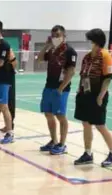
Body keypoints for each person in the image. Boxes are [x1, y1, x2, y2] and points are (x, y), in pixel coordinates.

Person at [74, 28, 112, 167]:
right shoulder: (87, 57)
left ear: (96, 41)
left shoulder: (106, 56)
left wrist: (101, 95)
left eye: (91, 40)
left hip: (97, 95)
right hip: (85, 94)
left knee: (100, 125)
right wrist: (79, 90)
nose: (89, 42)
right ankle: (88, 153)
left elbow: (108, 78)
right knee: (85, 124)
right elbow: (83, 75)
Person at [38, 25, 77, 155]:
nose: (55, 38)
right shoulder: (52, 51)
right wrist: (47, 45)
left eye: (58, 35)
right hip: (48, 86)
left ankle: (62, 144)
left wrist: (61, 88)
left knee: (60, 116)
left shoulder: (70, 51)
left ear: (64, 36)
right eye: (53, 36)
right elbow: (39, 59)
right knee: (48, 114)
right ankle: (53, 141)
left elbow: (71, 72)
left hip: (61, 89)